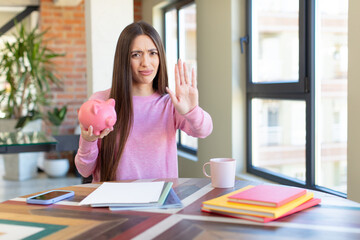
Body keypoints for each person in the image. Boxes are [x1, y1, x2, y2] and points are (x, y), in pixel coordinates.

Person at [75, 21, 213, 182]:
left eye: (152, 53)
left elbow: (204, 131)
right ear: (124, 59)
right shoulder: (100, 102)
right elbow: (84, 170)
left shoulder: (170, 103)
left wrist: (192, 111)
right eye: (136, 54)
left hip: (159, 202)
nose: (146, 63)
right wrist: (88, 141)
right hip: (113, 202)